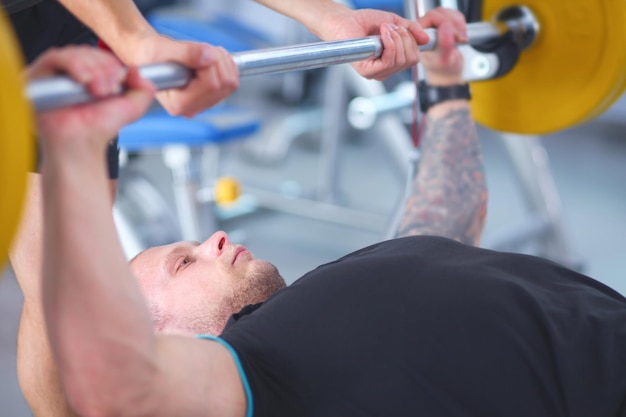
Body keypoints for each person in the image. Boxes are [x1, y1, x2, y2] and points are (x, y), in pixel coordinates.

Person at [14, 9, 626, 417]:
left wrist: (444, 85)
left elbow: (442, 222)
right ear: (167, 343)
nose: (215, 238)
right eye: (183, 263)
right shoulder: (260, 378)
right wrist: (69, 152)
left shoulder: (321, 310)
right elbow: (114, 384)